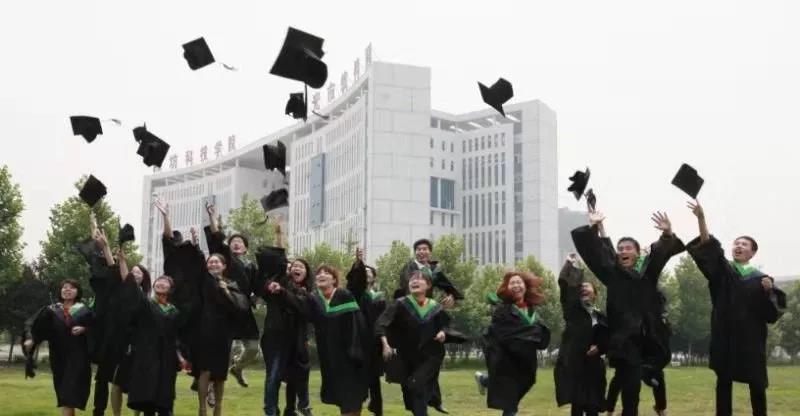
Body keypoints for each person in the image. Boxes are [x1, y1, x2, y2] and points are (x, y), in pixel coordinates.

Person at [571, 210, 684, 416]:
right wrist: (594, 227)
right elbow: (600, 254)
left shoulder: (648, 273)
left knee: (652, 377)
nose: (623, 251)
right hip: (624, 341)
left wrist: (667, 234)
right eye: (620, 248)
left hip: (650, 339)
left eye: (628, 248)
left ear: (638, 254)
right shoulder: (613, 274)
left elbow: (660, 254)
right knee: (631, 390)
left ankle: (659, 404)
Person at [685, 201, 786, 416]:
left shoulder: (762, 279)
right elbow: (709, 249)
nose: (738, 246)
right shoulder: (724, 272)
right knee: (723, 382)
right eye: (736, 243)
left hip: (751, 340)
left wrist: (769, 291)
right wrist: (701, 218)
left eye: (744, 244)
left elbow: (772, 314)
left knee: (757, 384)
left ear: (752, 253)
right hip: (725, 337)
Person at [394, 238, 462, 414]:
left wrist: (451, 296)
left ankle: (433, 400)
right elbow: (406, 289)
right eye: (418, 249)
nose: (422, 252)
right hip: (409, 318)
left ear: (430, 252)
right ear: (415, 252)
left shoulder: (434, 271)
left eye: (425, 249)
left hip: (428, 318)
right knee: (411, 368)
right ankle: (419, 402)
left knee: (431, 361)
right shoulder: (409, 268)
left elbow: (449, 287)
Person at [116, 249, 188, 416]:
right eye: (158, 281)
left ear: (171, 289)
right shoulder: (146, 304)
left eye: (165, 282)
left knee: (165, 400)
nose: (161, 283)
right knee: (147, 399)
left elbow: (176, 337)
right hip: (147, 356)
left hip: (166, 358)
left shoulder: (174, 311)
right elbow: (131, 285)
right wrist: (122, 262)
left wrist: (180, 357)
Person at [254, 216, 314, 416]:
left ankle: (294, 408)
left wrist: (282, 292)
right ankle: (271, 410)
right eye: (294, 265)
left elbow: (301, 308)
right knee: (274, 375)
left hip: (296, 339)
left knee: (296, 376)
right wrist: (279, 234)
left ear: (306, 273)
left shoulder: (308, 294)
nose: (296, 268)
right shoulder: (280, 282)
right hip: (276, 336)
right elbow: (280, 260)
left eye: (301, 267)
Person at [474, 271, 550, 416]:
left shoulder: (530, 310)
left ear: (525, 286)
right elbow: (503, 334)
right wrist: (530, 333)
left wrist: (534, 334)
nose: (516, 285)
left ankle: (485, 379)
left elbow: (537, 333)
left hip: (526, 361)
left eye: (519, 282)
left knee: (527, 382)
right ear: (507, 288)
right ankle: (488, 380)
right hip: (506, 359)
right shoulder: (502, 309)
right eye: (512, 283)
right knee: (511, 400)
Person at [377, 271, 451, 416]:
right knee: (412, 395)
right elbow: (382, 323)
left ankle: (427, 402)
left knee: (417, 387)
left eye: (419, 279)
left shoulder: (435, 307)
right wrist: (385, 344)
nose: (414, 281)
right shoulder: (400, 304)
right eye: (412, 279)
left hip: (431, 356)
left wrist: (443, 332)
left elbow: (446, 325)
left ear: (428, 285)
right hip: (407, 358)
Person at [204, 204, 261, 389]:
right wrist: (212, 217)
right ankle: (212, 386)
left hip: (243, 309)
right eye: (233, 241)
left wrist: (256, 297)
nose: (236, 243)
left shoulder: (251, 267)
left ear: (245, 249)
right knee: (222, 351)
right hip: (225, 307)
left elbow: (259, 287)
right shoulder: (226, 260)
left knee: (253, 348)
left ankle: (237, 368)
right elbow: (216, 238)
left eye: (240, 242)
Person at [23, 279, 95, 416]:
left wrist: (85, 329)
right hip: (58, 358)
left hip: (79, 358)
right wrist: (31, 339)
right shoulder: (51, 310)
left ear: (78, 292)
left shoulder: (85, 311)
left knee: (69, 395)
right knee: (65, 396)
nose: (67, 289)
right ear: (60, 291)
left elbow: (98, 329)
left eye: (72, 287)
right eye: (64, 287)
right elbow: (35, 326)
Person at [309, 265, 369, 416]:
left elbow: (358, 285)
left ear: (334, 280)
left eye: (326, 273)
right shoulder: (314, 299)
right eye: (319, 273)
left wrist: (358, 265)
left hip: (352, 354)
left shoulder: (344, 295)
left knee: (352, 397)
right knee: (345, 398)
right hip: (331, 356)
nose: (321, 275)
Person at [554, 254, 609, 416]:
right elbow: (565, 286)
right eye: (581, 287)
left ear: (595, 294)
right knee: (577, 407)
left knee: (593, 408)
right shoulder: (572, 311)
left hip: (594, 369)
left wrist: (600, 347)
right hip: (576, 367)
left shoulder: (602, 317)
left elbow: (609, 338)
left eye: (587, 287)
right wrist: (569, 265)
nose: (583, 288)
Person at [605, 288, 670, 416]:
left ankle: (660, 408)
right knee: (619, 380)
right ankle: (610, 410)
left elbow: (661, 342)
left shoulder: (657, 316)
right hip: (630, 354)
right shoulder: (629, 305)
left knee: (658, 379)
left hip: (648, 359)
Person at [347, 247, 387, 416]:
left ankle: (377, 408)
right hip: (359, 339)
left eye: (369, 272)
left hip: (375, 342)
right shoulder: (357, 295)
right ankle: (359, 405)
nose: (366, 273)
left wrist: (385, 342)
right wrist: (358, 263)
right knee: (359, 375)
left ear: (374, 278)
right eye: (364, 272)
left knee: (374, 378)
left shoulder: (380, 297)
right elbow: (355, 281)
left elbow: (384, 321)